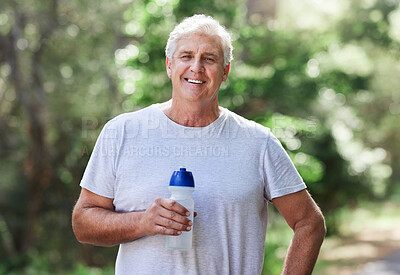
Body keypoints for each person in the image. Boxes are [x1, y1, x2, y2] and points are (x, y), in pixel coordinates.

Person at [72, 14, 326, 275]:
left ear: (225, 72)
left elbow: (309, 222)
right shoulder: (122, 132)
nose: (196, 67)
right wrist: (142, 222)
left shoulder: (258, 143)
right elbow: (83, 223)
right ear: (169, 65)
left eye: (209, 58)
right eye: (186, 56)